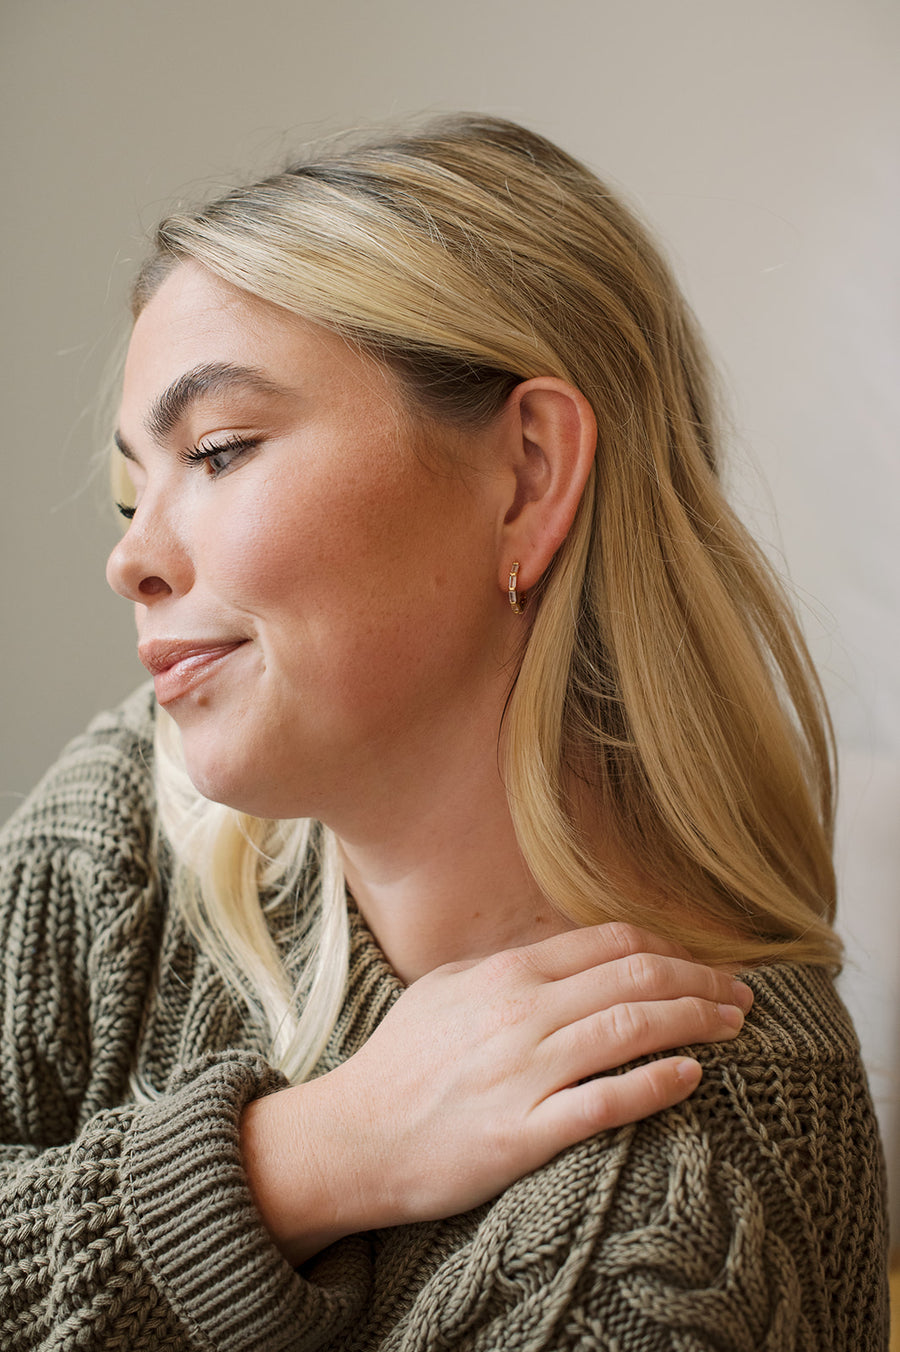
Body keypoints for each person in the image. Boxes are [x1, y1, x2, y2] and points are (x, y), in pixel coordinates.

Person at [0, 114, 888, 1350]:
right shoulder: (125, 830)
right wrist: (290, 1164)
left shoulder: (692, 1181)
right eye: (130, 491)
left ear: (525, 473)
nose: (129, 558)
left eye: (218, 450)